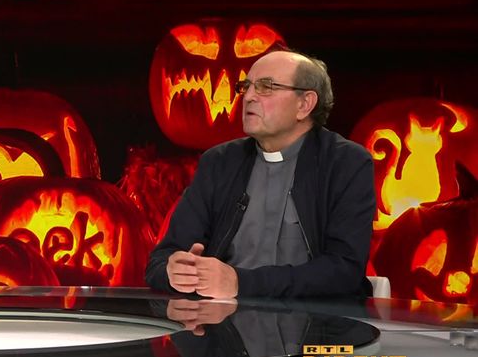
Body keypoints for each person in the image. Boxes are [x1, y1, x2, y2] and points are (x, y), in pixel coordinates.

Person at [146, 50, 375, 299]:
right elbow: (160, 260)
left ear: (304, 104)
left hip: (316, 319)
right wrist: (173, 272)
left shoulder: (346, 163)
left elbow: (344, 271)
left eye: (266, 87)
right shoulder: (219, 162)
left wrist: (240, 283)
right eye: (246, 87)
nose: (248, 97)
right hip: (221, 318)